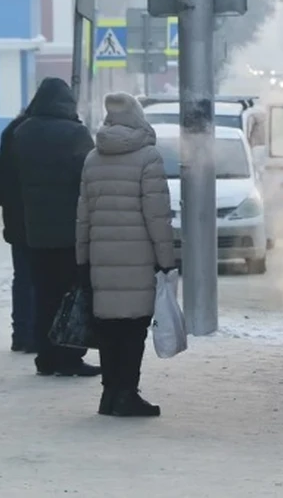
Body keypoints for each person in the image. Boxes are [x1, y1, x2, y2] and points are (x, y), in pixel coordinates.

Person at [76, 92, 175, 417]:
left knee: (107, 329)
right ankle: (127, 395)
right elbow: (157, 217)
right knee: (133, 329)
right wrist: (166, 260)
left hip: (101, 261)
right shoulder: (148, 157)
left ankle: (109, 395)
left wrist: (82, 259)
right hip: (137, 261)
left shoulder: (93, 158)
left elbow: (84, 216)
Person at [13, 77, 100, 377]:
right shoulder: (75, 134)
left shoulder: (22, 133)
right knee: (72, 296)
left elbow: (6, 180)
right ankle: (70, 356)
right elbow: (91, 178)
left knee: (44, 295)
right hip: (70, 233)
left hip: (35, 233)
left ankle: (46, 357)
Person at [0, 99, 39, 353]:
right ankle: (41, 335)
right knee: (47, 278)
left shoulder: (13, 130)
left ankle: (21, 334)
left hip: (17, 219)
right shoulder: (44, 132)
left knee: (23, 277)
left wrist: (11, 202)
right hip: (47, 220)